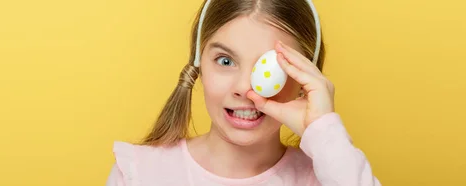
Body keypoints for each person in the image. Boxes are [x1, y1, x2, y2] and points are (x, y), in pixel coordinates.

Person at [106, 0, 381, 185]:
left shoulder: (327, 176)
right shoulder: (139, 174)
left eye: (272, 68)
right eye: (225, 61)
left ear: (305, 79)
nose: (245, 89)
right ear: (200, 64)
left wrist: (324, 131)